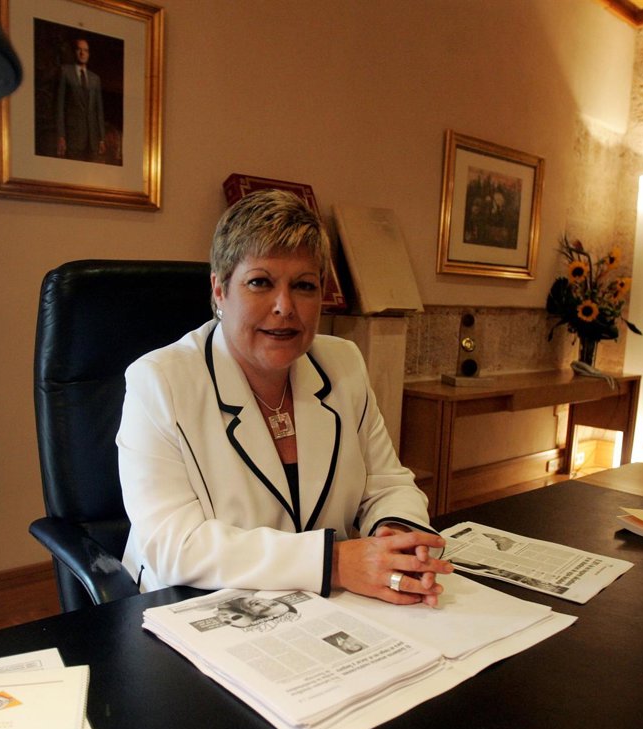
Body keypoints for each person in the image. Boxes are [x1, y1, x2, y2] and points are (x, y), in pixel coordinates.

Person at [117, 190, 451, 606]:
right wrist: (333, 563)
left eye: (304, 286)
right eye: (260, 282)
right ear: (219, 290)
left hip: (325, 608)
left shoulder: (343, 363)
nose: (285, 306)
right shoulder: (159, 381)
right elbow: (172, 545)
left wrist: (396, 541)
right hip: (195, 607)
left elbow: (386, 482)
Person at [55, 38, 111, 162]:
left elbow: (99, 111)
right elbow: (60, 106)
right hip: (73, 137)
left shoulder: (95, 79)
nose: (82, 53)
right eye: (79, 49)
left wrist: (102, 138)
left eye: (85, 50)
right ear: (74, 52)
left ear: (88, 54)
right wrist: (61, 135)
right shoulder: (65, 72)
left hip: (92, 139)